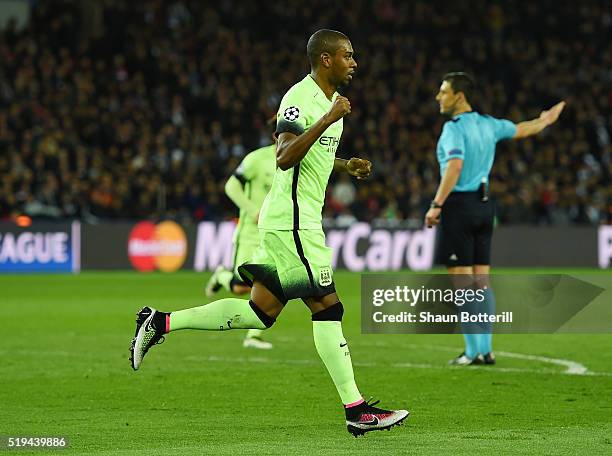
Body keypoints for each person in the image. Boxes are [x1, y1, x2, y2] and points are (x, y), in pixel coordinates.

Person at [130, 29, 409, 436]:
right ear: (325, 59)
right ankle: (357, 410)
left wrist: (345, 164)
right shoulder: (300, 98)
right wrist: (329, 119)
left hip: (296, 221)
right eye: (348, 55)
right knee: (328, 308)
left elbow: (312, 157)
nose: (355, 62)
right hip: (293, 222)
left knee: (260, 313)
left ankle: (160, 321)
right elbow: (283, 156)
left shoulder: (328, 102)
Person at [425, 72, 565, 365]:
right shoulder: (490, 124)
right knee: (481, 281)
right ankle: (486, 349)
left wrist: (436, 204)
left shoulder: (453, 129)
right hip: (485, 207)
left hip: (459, 207)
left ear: (459, 95)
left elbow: (454, 166)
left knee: (463, 285)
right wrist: (545, 121)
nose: (439, 97)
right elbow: (522, 129)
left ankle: (472, 352)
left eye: (443, 91)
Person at [205, 126, 276, 350]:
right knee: (240, 286)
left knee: (274, 285)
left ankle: (253, 335)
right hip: (250, 234)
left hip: (275, 234)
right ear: (276, 136)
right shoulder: (257, 159)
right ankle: (222, 276)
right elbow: (231, 186)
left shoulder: (297, 161)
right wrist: (253, 211)